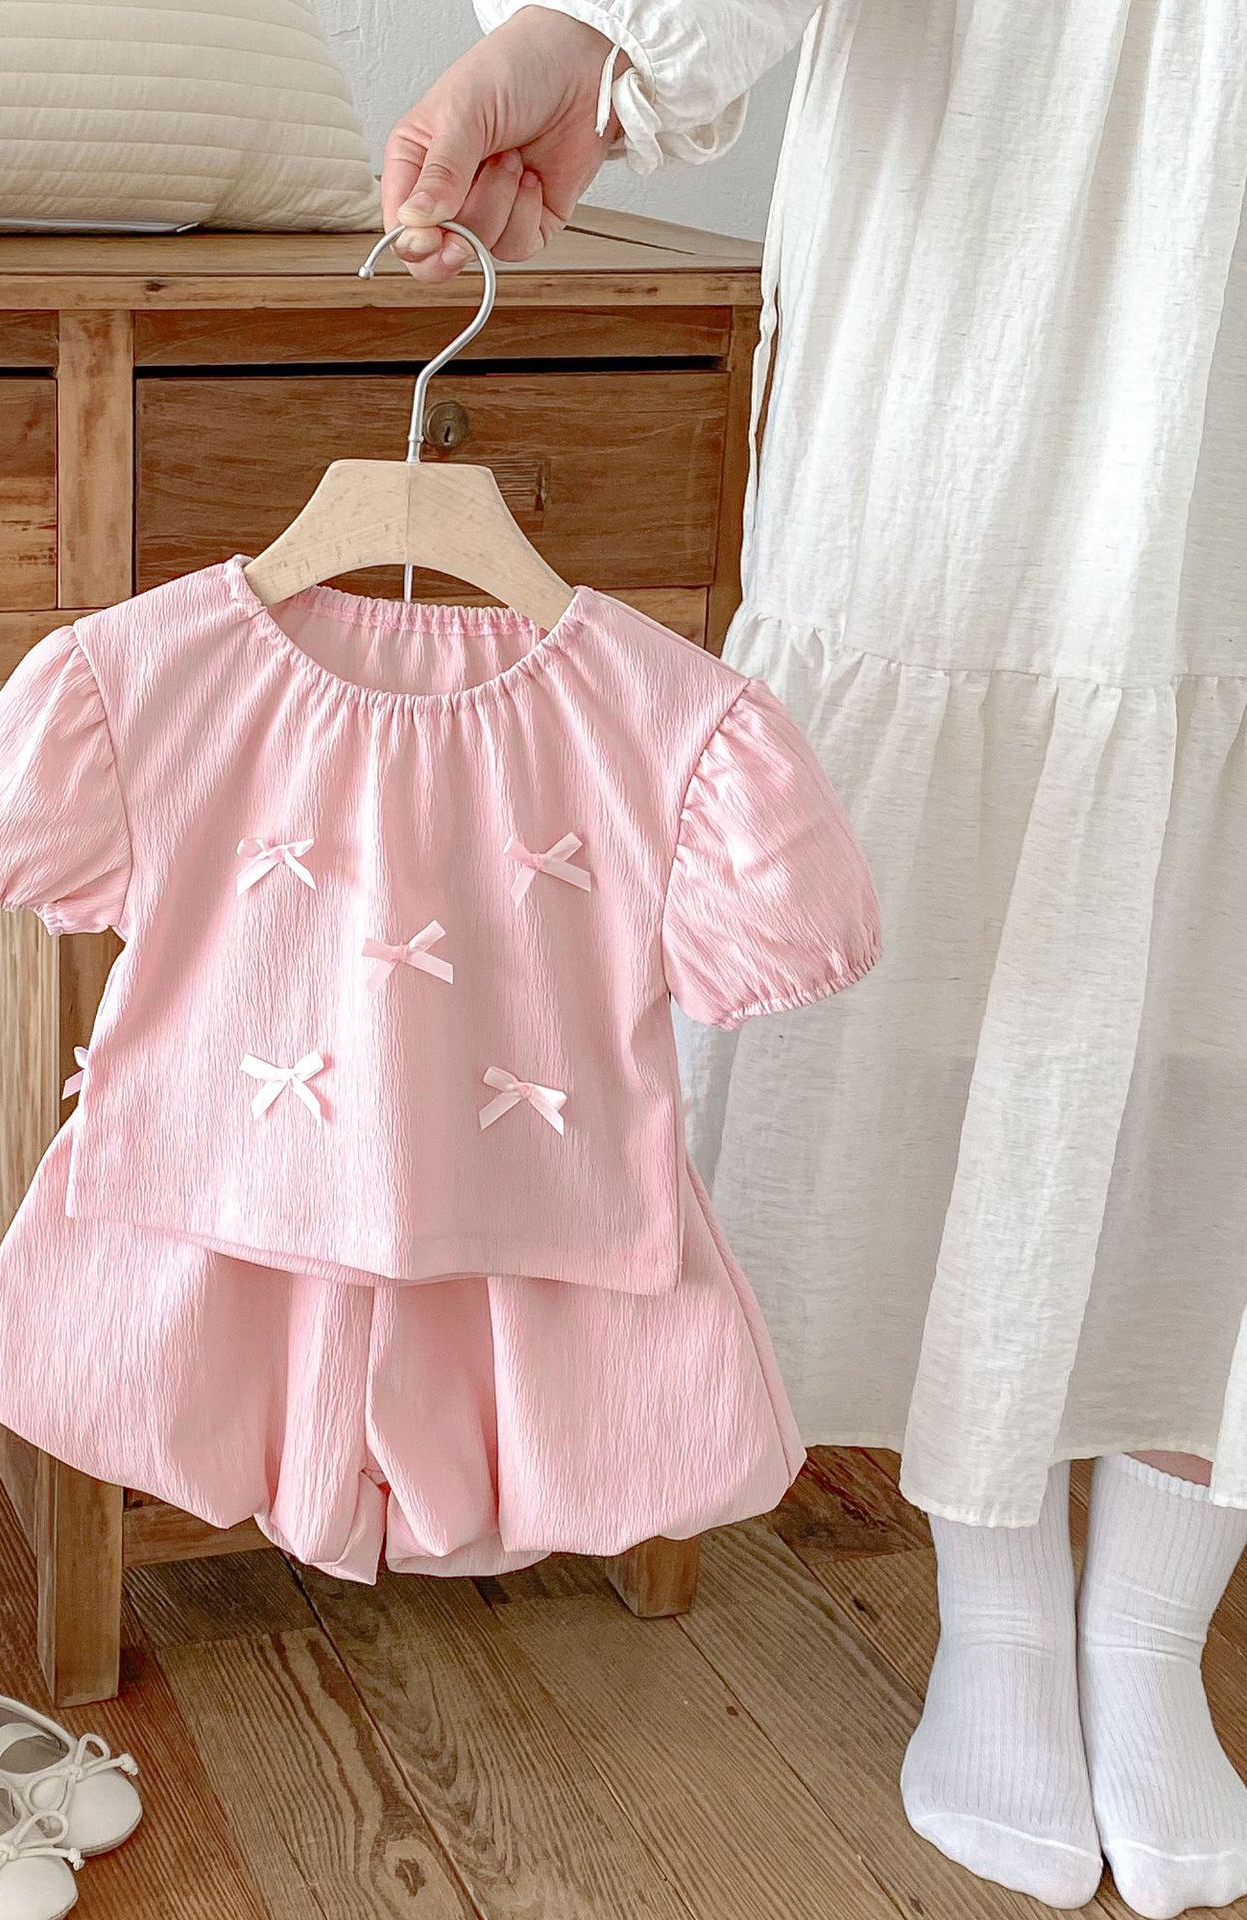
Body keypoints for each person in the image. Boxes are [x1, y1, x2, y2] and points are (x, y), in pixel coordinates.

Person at [384, 7, 1247, 1917]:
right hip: (1012, 176)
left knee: (1224, 988)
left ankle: (1154, 1629)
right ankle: (1003, 1603)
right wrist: (589, 41)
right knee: (952, 918)